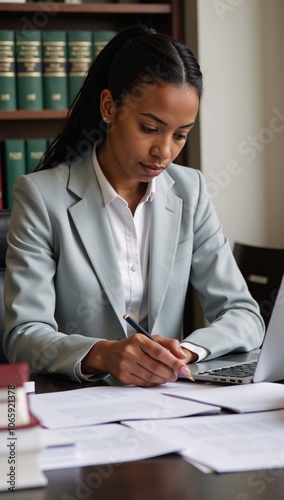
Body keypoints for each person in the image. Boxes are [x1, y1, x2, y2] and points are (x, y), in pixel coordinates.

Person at [3, 24, 265, 387]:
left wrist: (186, 351)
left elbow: (244, 314)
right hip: (77, 404)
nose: (165, 151)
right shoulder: (40, 196)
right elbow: (23, 336)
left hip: (168, 402)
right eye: (149, 128)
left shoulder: (190, 191)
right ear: (109, 107)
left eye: (180, 134)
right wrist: (103, 354)